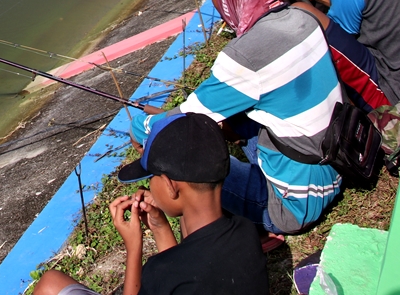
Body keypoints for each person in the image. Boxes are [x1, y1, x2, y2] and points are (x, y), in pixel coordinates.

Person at [146, 0, 344, 236]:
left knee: (183, 163)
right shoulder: (302, 16)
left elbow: (185, 121)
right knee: (231, 120)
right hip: (338, 166)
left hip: (295, 205)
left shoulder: (247, 55)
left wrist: (145, 126)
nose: (213, 2)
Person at [34, 113, 269, 295]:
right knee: (52, 282)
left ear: (170, 184)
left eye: (151, 177)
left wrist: (133, 247)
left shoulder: (161, 272)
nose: (149, 186)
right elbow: (186, 267)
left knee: (50, 285)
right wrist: (160, 228)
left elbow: (174, 272)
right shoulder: (246, 230)